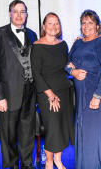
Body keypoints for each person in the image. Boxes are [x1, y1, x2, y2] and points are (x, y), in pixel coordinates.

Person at [0, 0, 37, 169]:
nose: (19, 15)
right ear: (9, 13)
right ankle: (12, 165)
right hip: (7, 94)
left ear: (26, 14)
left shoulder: (32, 34)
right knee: (8, 133)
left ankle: (27, 164)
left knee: (28, 131)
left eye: (22, 12)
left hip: (30, 91)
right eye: (15, 12)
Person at [66, 10, 101, 169]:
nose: (86, 26)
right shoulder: (78, 42)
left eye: (90, 23)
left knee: (93, 132)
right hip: (80, 93)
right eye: (83, 23)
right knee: (82, 130)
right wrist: (73, 72)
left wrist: (97, 96)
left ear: (98, 26)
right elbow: (67, 64)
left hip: (96, 91)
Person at [31, 12, 74, 169]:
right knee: (53, 127)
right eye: (50, 23)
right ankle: (49, 162)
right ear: (44, 26)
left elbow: (66, 65)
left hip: (64, 90)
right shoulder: (37, 46)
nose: (54, 26)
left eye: (56, 23)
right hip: (47, 93)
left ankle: (58, 159)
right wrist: (50, 94)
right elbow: (36, 73)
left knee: (62, 126)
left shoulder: (63, 44)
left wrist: (73, 64)